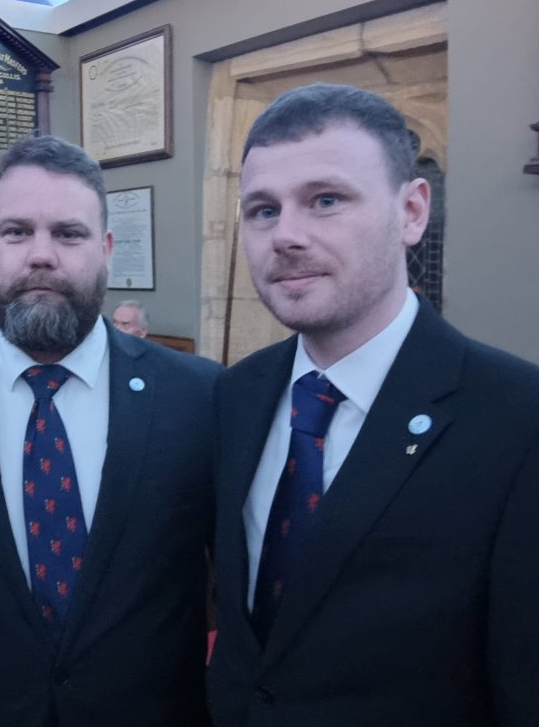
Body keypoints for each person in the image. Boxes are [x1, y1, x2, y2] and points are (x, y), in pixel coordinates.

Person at [208, 83, 539, 725]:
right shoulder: (235, 394)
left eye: (325, 200)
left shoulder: (517, 418)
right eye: (263, 210)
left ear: (411, 212)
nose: (286, 235)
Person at [0, 135, 221, 727]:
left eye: (68, 234)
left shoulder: (197, 396)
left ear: (106, 249)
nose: (41, 255)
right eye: (17, 232)